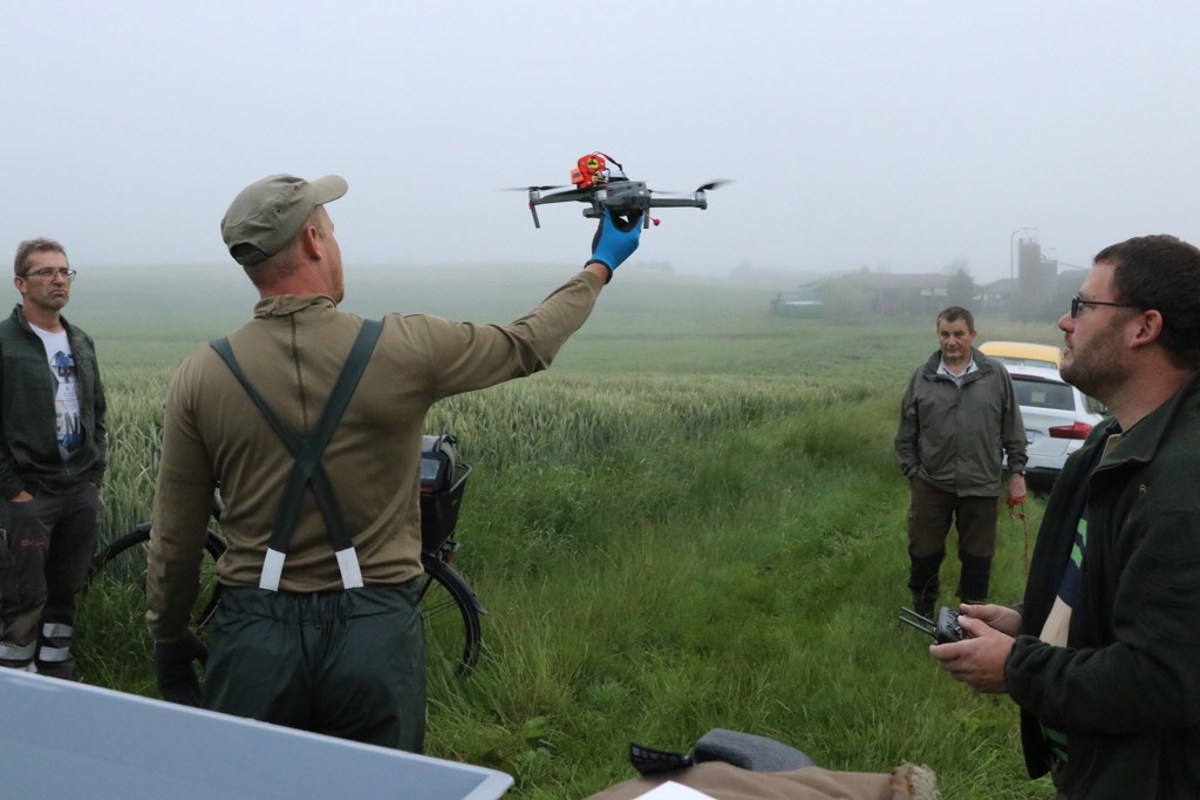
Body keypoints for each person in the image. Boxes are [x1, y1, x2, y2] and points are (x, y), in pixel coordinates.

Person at [145, 173, 642, 751]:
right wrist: (599, 266)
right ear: (312, 241)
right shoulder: (403, 348)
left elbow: (176, 535)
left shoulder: (202, 373)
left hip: (255, 637)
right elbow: (526, 343)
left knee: (252, 782)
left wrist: (168, 634)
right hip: (374, 633)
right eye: (331, 230)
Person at [930, 235, 1200, 799]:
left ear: (1144, 327)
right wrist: (1028, 621)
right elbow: (1116, 591)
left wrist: (1017, 667)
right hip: (1096, 768)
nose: (1065, 320)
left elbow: (1162, 678)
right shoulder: (1113, 441)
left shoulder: (1184, 485)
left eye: (1083, 305)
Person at [0, 238, 106, 678]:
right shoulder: (5, 343)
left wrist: (94, 476)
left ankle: (57, 676)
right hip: (29, 494)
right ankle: (14, 683)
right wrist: (14, 491)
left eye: (64, 271)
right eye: (46, 272)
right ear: (20, 283)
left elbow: (97, 412)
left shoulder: (80, 341)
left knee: (66, 590)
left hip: (78, 491)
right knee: (22, 595)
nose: (59, 279)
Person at [894, 306, 1027, 614]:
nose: (951, 341)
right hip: (931, 483)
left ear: (972, 335)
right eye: (945, 334)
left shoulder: (995, 375)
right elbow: (906, 433)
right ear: (938, 335)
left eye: (958, 334)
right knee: (923, 550)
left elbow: (1012, 427)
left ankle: (972, 615)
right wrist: (914, 473)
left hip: (981, 484)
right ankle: (923, 610)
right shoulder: (922, 377)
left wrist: (1017, 472)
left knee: (978, 555)